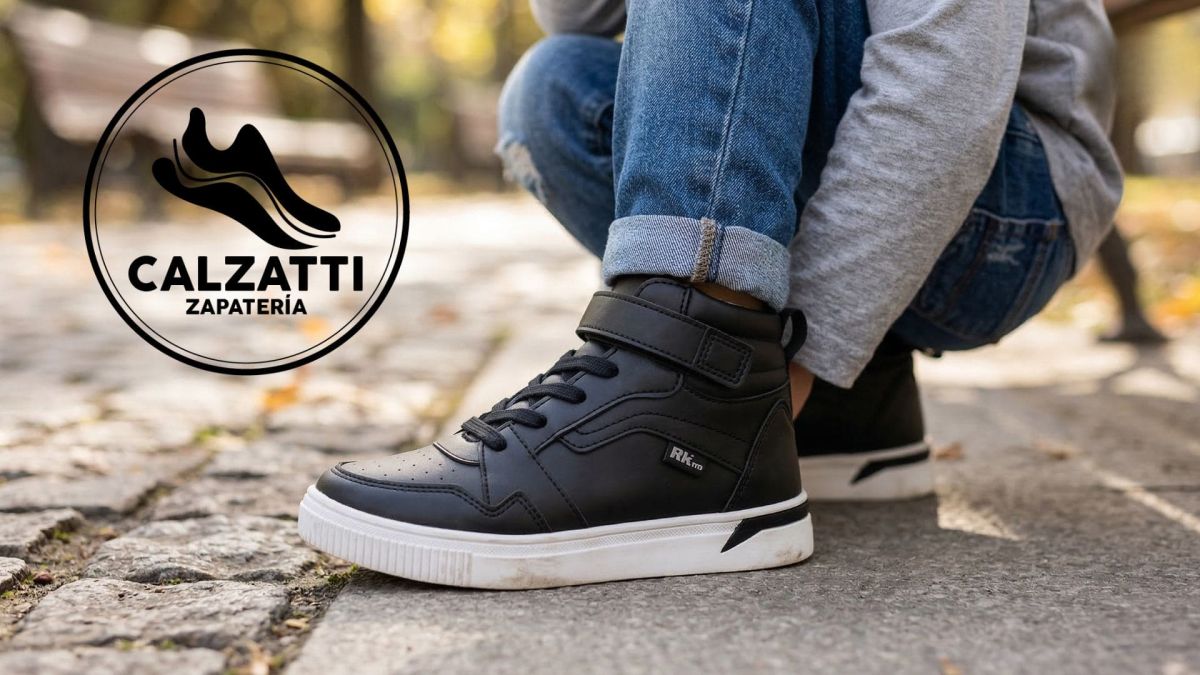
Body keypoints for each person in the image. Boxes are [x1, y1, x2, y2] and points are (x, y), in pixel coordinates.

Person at [297, 0, 1122, 588]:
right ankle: (852, 404)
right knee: (555, 88)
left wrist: (778, 362)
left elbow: (948, 78)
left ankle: (690, 387)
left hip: (1008, 203)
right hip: (920, 192)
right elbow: (578, 18)